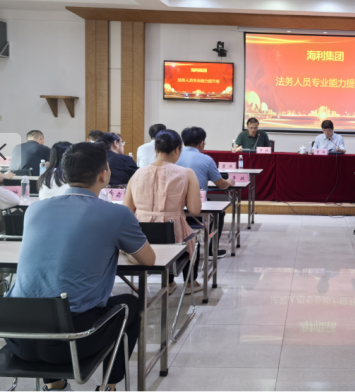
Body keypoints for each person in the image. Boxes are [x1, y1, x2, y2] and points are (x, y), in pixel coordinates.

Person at [6, 142, 155, 392]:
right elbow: (148, 259)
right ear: (104, 174)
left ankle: (55, 385)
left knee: (47, 301)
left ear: (65, 174)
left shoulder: (34, 209)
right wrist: (123, 252)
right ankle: (108, 386)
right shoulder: (116, 215)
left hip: (17, 337)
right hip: (72, 342)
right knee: (130, 303)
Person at [124, 129, 203, 295]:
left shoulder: (137, 173)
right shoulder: (186, 173)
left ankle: (169, 282)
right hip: (173, 236)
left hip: (141, 240)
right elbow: (195, 210)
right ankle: (190, 283)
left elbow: (127, 210)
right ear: (177, 150)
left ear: (156, 150)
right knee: (191, 239)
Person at [177, 126, 236, 258]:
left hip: (175, 207)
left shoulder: (174, 157)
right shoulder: (207, 159)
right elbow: (221, 185)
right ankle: (211, 251)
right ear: (202, 143)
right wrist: (229, 182)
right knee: (219, 213)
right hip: (197, 208)